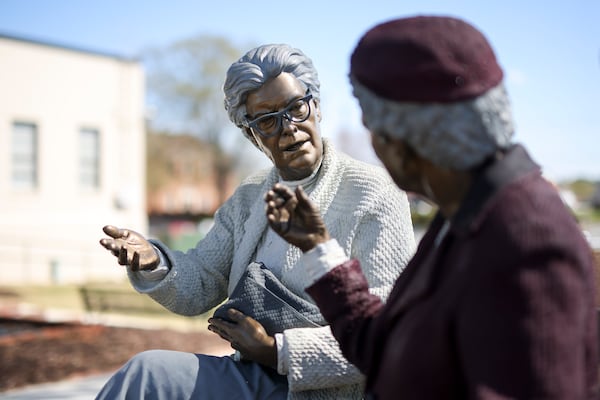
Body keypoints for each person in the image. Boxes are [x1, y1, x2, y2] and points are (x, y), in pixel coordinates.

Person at [265, 16, 599, 400]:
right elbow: (384, 350)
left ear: (403, 147)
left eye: (371, 127)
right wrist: (318, 247)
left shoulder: (527, 244)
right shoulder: (464, 215)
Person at [97, 43, 416, 399]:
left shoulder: (374, 192)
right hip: (253, 378)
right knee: (148, 374)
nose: (289, 128)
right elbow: (202, 283)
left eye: (297, 108)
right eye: (268, 120)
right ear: (252, 135)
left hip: (333, 392)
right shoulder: (249, 197)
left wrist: (276, 350)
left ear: (317, 106)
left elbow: (391, 334)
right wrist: (155, 262)